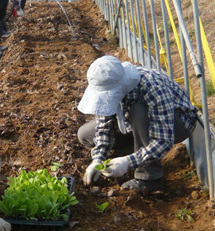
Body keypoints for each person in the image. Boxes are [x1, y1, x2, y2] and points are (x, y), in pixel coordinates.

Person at [77, 55, 198, 193]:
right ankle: (137, 152)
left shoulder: (152, 87)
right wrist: (98, 160)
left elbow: (163, 140)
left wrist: (127, 162)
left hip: (176, 124)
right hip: (137, 124)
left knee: (138, 109)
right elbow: (104, 128)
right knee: (85, 134)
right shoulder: (110, 82)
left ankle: (150, 178)